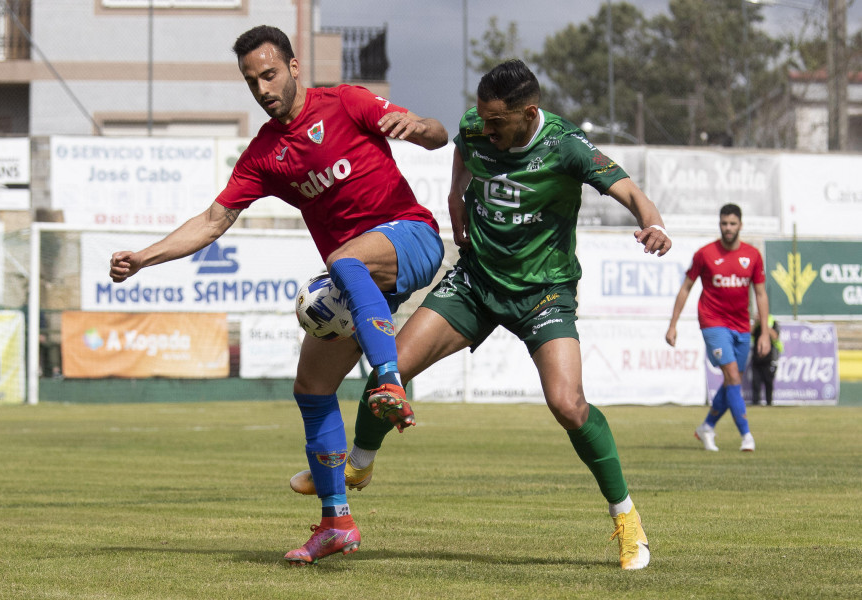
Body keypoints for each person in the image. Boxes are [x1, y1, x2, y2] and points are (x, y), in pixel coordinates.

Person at [292, 59, 670, 570]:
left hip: (542, 293)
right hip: (475, 282)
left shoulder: (566, 146)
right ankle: (359, 464)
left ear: (528, 113)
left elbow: (629, 190)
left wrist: (652, 224)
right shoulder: (477, 127)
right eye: (480, 117)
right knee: (391, 369)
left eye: (496, 122)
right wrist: (455, 195)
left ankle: (627, 521)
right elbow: (461, 152)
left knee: (568, 405)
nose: (482, 128)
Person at [108, 24, 448, 565]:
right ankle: (337, 522)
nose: (263, 88)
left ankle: (388, 381)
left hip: (411, 236)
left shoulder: (347, 102)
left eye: (269, 74)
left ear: (293, 67)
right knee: (312, 388)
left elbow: (439, 135)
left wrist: (420, 127)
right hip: (355, 278)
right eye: (252, 81)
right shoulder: (265, 153)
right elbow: (213, 219)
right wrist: (144, 257)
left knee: (343, 259)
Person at [665, 203, 769, 452]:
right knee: (732, 376)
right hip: (713, 322)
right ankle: (746, 436)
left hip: (742, 325)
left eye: (733, 223)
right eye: (724, 223)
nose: (728, 228)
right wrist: (673, 324)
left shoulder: (753, 255)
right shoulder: (705, 254)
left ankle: (707, 427)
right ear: (719, 224)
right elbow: (686, 287)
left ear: (740, 225)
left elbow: (761, 294)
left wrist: (764, 331)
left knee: (733, 380)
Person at [751, 314, 782, 406]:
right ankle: (755, 403)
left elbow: (775, 336)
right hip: (756, 358)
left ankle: (769, 403)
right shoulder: (756, 324)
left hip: (769, 358)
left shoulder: (772, 321)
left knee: (768, 382)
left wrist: (764, 325)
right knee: (755, 383)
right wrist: (757, 323)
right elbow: (749, 333)